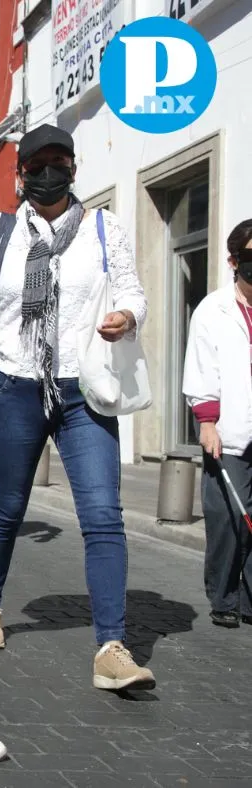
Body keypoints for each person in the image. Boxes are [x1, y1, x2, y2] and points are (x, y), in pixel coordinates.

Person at [0, 124, 155, 691]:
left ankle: (112, 647)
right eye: (36, 166)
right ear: (21, 175)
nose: (48, 174)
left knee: (103, 515)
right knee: (7, 507)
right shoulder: (1, 232)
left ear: (74, 169)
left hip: (83, 391)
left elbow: (133, 291)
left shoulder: (103, 227)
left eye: (58, 163)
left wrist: (127, 317)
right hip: (16, 386)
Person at [183, 219, 252, 629]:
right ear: (234, 261)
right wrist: (207, 422)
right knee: (228, 517)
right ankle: (224, 596)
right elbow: (202, 367)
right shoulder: (213, 309)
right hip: (228, 427)